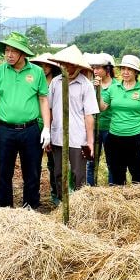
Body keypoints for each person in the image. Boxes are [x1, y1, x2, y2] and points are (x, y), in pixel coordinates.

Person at [0, 32, 51, 209]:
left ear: (23, 53)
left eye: (14, 51)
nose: (9, 55)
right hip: (5, 129)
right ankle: (5, 206)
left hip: (30, 129)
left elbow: (43, 100)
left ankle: (30, 206)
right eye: (7, 50)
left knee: (32, 171)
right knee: (4, 171)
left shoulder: (37, 72)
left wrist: (46, 128)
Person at [48, 45, 99, 195]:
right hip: (57, 135)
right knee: (58, 172)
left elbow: (89, 115)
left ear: (76, 66)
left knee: (78, 173)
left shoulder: (85, 85)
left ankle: (79, 202)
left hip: (78, 137)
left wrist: (89, 142)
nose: (66, 67)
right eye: (63, 64)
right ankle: (61, 201)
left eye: (69, 64)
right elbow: (49, 109)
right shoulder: (56, 82)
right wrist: (48, 134)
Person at [97, 55, 140, 185]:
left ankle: (137, 202)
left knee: (138, 176)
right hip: (115, 138)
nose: (125, 72)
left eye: (129, 69)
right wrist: (98, 89)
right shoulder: (113, 88)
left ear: (136, 72)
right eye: (123, 69)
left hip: (136, 138)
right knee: (116, 175)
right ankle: (119, 203)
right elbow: (103, 107)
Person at [30, 53, 61, 204]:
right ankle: (33, 195)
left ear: (53, 67)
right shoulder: (32, 80)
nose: (44, 68)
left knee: (54, 163)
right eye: (41, 65)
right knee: (33, 162)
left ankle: (56, 193)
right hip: (35, 124)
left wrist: (49, 129)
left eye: (47, 65)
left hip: (53, 126)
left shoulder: (57, 83)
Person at [85, 52, 117, 185]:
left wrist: (97, 90)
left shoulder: (116, 86)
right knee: (91, 160)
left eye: (98, 68)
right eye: (94, 68)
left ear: (107, 69)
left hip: (110, 128)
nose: (95, 71)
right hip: (93, 127)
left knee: (112, 162)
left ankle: (112, 188)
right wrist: (93, 88)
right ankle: (90, 188)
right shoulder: (89, 84)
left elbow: (102, 107)